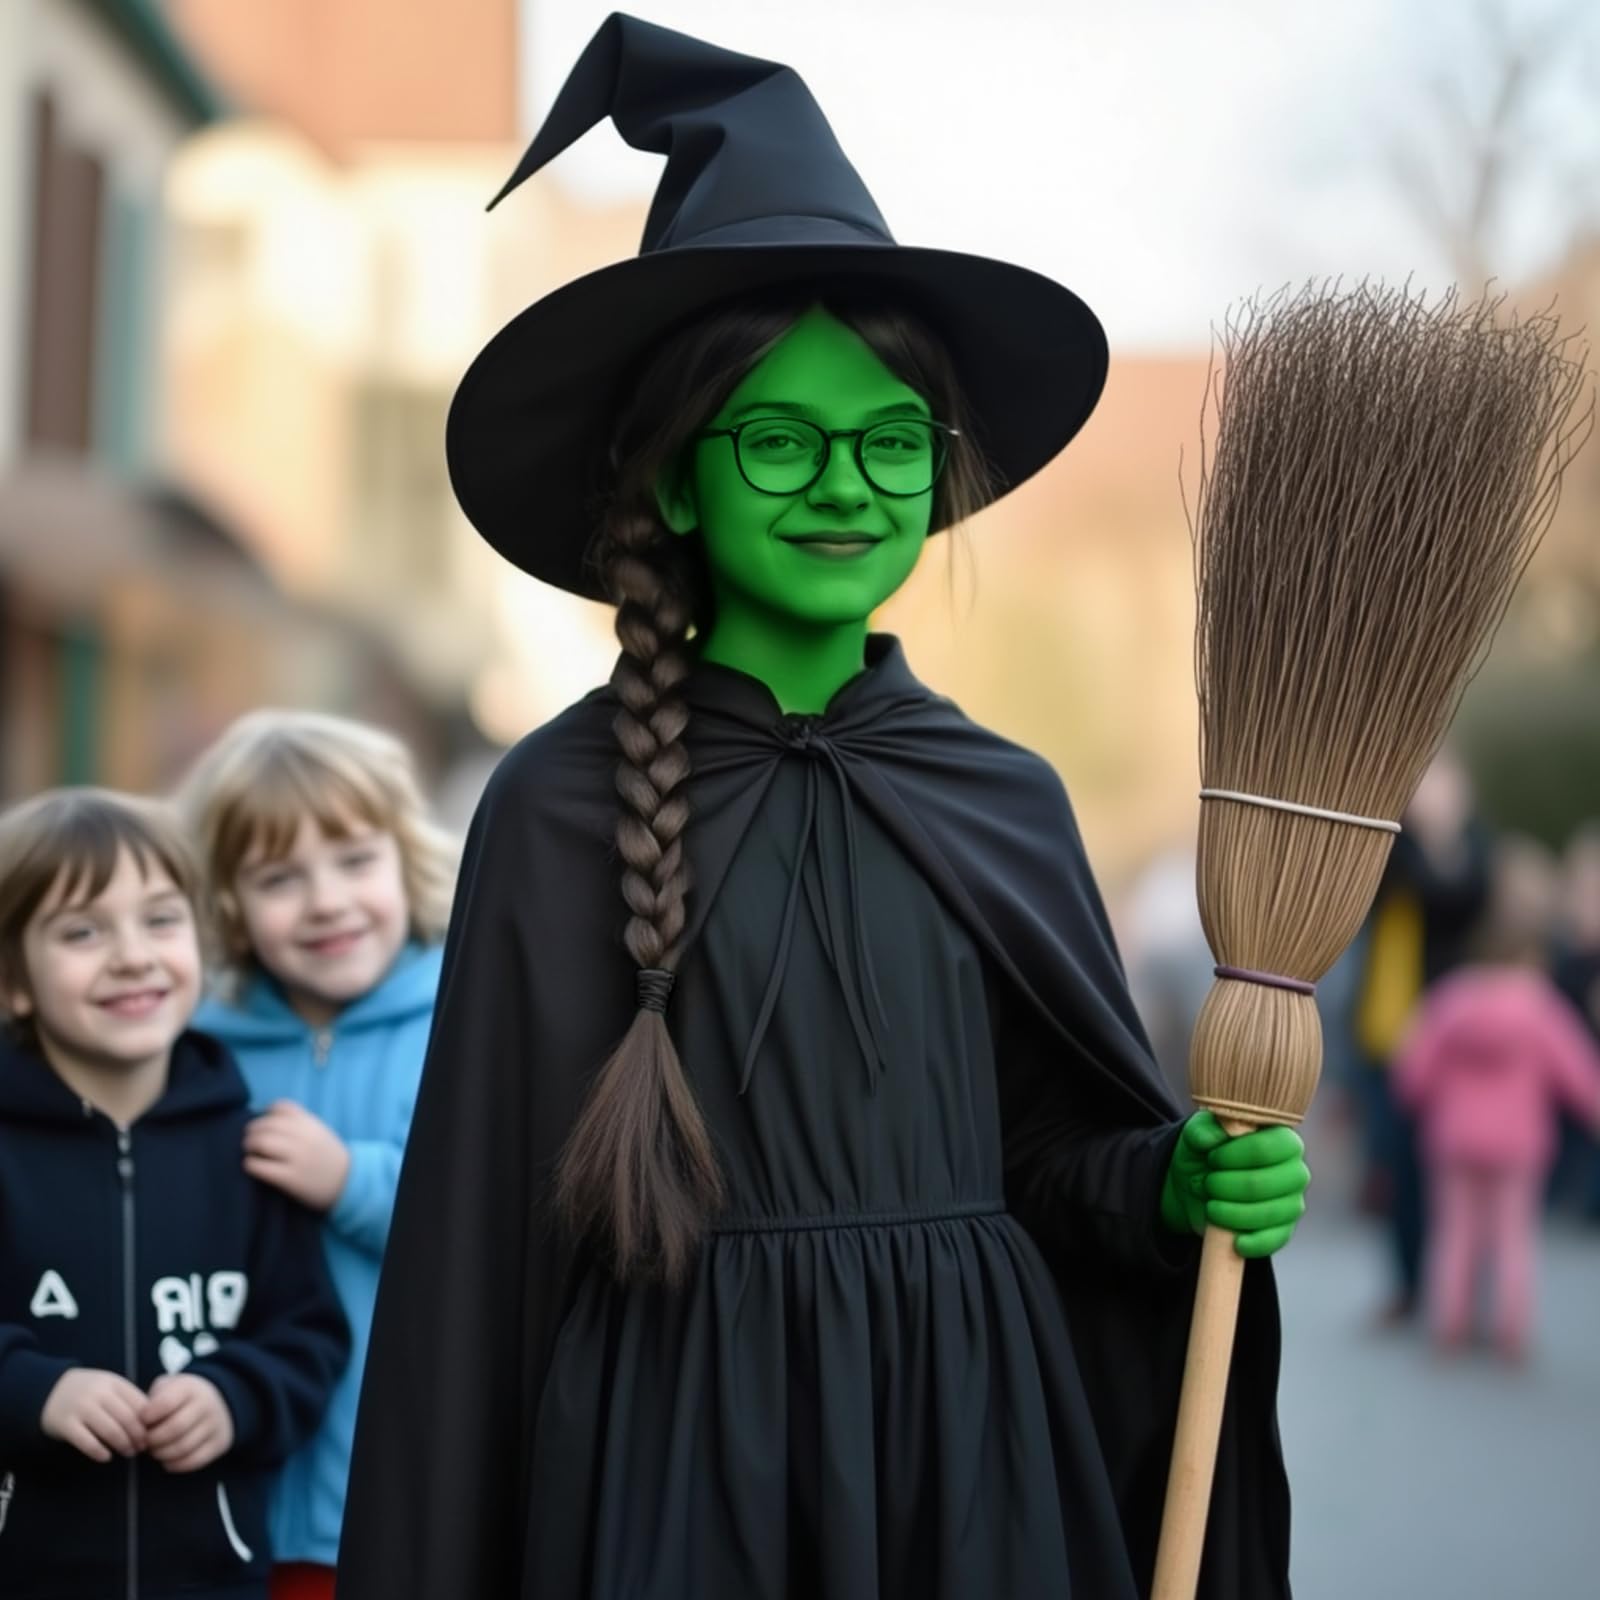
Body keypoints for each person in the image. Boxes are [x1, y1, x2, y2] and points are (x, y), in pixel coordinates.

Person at [338, 17, 1309, 1600]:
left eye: (890, 442)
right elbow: (476, 1278)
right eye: (781, 439)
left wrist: (1170, 1182)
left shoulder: (999, 798)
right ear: (672, 480)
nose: (846, 485)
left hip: (970, 1465)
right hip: (678, 1480)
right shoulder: (558, 808)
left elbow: (1045, 1155)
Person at [0, 789, 349, 1600]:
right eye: (82, 932)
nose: (132, 956)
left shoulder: (254, 1149)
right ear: (14, 981)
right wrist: (35, 1389)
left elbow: (309, 1336)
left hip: (212, 1576)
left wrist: (234, 1395)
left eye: (160, 920)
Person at [177, 712, 453, 1600]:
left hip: (414, 1491)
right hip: (239, 1495)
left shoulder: (461, 1017)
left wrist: (350, 1180)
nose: (327, 901)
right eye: (279, 878)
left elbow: (489, 1217)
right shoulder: (200, 1051)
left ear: (405, 861)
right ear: (228, 902)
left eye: (355, 861)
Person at [1395, 835, 1600, 1360]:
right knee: (1513, 1237)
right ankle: (1510, 1327)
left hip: (1454, 1135)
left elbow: (1414, 1063)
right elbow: (1576, 1070)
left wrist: (1413, 1100)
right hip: (1519, 1140)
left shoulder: (1451, 998)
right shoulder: (1541, 1007)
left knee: (1455, 1232)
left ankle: (1451, 1322)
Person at [1346, 748, 1493, 1321]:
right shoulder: (1393, 848)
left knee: (1457, 1169)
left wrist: (1442, 842)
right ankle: (1409, 1285)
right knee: (1397, 1163)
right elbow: (1382, 887)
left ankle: (1464, 1290)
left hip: (1454, 1040)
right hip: (1387, 1035)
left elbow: (1457, 902)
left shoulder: (1475, 851)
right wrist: (1421, 838)